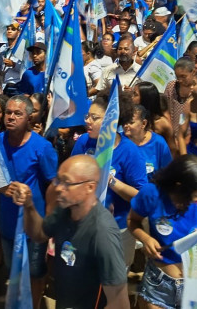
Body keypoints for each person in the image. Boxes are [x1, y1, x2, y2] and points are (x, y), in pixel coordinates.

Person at [11, 155, 130, 309]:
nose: (59, 188)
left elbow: (119, 304)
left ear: (90, 187)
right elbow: (39, 234)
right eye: (58, 181)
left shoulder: (102, 232)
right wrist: (29, 205)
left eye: (67, 183)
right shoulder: (64, 210)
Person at [128, 155, 197, 309]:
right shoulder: (152, 194)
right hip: (159, 285)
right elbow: (132, 220)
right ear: (179, 187)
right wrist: (145, 238)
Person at [72, 91, 148, 267]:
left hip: (117, 229)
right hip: (84, 224)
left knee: (113, 283)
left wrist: (110, 180)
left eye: (94, 118)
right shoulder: (83, 142)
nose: (87, 121)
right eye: (87, 116)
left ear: (111, 121)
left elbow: (140, 197)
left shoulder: (129, 151)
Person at [0, 95, 58, 309]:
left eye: (18, 113)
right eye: (8, 112)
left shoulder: (42, 148)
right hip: (7, 222)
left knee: (34, 271)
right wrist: (2, 189)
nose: (11, 117)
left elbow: (54, 184)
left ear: (29, 118)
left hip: (34, 224)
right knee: (12, 267)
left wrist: (50, 220)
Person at [122, 105, 172, 181]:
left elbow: (168, 174)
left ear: (144, 123)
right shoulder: (119, 140)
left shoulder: (159, 143)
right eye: (124, 121)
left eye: (131, 122)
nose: (125, 125)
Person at [132, 81, 175, 155]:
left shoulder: (162, 123)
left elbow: (172, 149)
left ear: (145, 98)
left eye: (135, 94)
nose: (131, 97)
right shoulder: (129, 118)